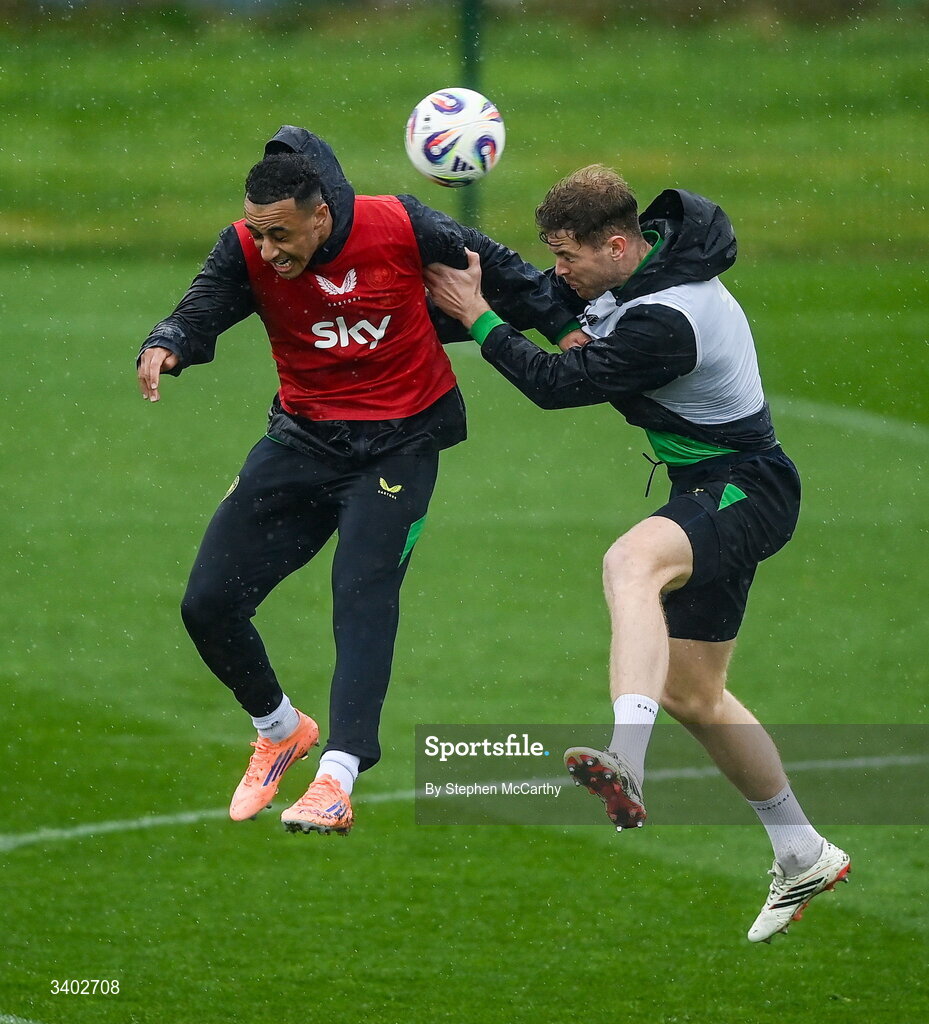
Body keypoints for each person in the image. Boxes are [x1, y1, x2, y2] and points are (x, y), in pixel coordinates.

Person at [423, 164, 850, 942]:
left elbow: (556, 383)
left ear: (617, 245)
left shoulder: (671, 317)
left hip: (744, 486)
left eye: (569, 255)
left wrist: (480, 320)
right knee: (695, 695)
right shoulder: (638, 267)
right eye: (556, 253)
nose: (561, 270)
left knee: (632, 563)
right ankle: (801, 850)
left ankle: (627, 758)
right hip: (708, 484)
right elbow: (538, 290)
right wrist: (423, 226)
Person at [137, 127, 582, 837]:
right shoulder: (247, 245)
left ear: (320, 216)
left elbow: (503, 272)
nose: (269, 251)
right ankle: (280, 729)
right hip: (302, 439)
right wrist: (168, 342)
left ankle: (337, 778)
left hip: (399, 446)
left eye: (282, 235)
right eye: (259, 236)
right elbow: (204, 304)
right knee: (208, 603)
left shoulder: (400, 222)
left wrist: (567, 333)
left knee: (360, 596)